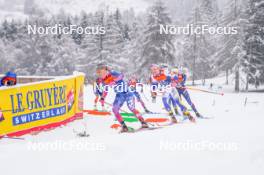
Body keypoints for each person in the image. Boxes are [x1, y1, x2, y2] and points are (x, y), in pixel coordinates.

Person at [96, 64, 148, 132]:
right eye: (98, 73)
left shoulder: (112, 73)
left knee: (132, 108)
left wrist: (114, 80)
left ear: (105, 70)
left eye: (101, 72)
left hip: (128, 93)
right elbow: (105, 90)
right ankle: (124, 126)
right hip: (120, 95)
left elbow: (121, 75)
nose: (100, 75)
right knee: (115, 109)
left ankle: (143, 122)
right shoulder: (103, 80)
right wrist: (102, 98)